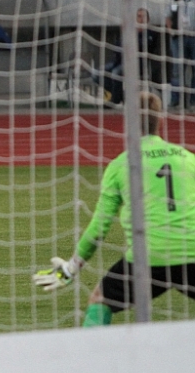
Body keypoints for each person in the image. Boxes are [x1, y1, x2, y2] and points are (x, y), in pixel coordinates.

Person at [33, 92, 195, 326]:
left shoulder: (121, 165)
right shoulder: (188, 159)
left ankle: (94, 351)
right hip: (192, 250)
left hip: (149, 255)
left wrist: (71, 268)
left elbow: (100, 227)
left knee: (100, 300)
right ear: (160, 121)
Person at [167, 0, 195, 110]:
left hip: (193, 36)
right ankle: (176, 101)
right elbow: (168, 16)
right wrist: (171, 31)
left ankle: (193, 102)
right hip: (179, 37)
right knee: (177, 70)